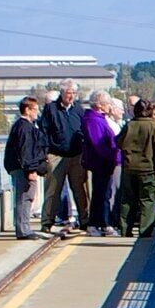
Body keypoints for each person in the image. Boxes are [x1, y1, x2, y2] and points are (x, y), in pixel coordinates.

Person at [115, 96, 155, 238]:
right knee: (147, 200)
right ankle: (145, 230)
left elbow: (119, 142)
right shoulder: (153, 126)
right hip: (148, 170)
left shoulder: (129, 125)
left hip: (129, 168)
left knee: (127, 200)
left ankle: (125, 229)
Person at [39, 85, 90, 232]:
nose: (71, 96)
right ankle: (47, 221)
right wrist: (45, 153)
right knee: (53, 190)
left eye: (74, 93)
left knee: (80, 190)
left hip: (76, 155)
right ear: (62, 94)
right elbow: (44, 131)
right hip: (57, 154)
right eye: (68, 93)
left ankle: (84, 219)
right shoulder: (51, 109)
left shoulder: (78, 109)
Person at [73, 92, 124, 234]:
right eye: (108, 104)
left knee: (102, 193)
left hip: (105, 161)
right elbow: (98, 143)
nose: (110, 107)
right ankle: (102, 223)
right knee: (102, 194)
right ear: (100, 105)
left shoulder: (97, 119)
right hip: (101, 162)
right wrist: (112, 156)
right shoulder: (93, 120)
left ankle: (97, 223)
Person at [0, 96, 50, 239]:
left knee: (27, 197)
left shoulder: (24, 126)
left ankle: (24, 228)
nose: (37, 112)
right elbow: (26, 151)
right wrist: (30, 169)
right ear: (28, 110)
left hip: (22, 167)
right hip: (23, 169)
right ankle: (23, 230)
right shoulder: (24, 127)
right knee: (24, 197)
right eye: (35, 109)